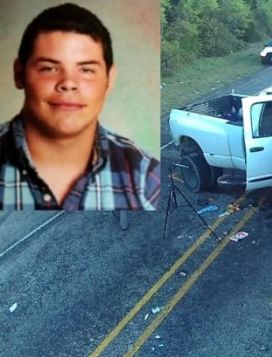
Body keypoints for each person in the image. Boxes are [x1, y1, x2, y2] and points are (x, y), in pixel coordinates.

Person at [0, 3, 160, 211]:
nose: (68, 82)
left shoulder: (145, 176)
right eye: (49, 68)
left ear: (109, 79)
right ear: (19, 73)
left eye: (86, 70)